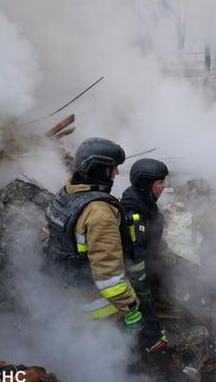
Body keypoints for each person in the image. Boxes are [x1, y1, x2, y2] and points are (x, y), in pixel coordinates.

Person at [44, 137, 160, 352]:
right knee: (111, 352)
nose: (116, 173)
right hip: (98, 303)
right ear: (98, 169)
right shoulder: (99, 213)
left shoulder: (67, 194)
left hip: (68, 289)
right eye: (112, 168)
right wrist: (130, 307)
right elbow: (108, 274)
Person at [120, 158, 170, 352]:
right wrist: (145, 294)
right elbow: (135, 262)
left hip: (150, 267)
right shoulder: (134, 215)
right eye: (160, 182)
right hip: (134, 280)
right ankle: (152, 348)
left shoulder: (147, 204)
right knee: (146, 310)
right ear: (146, 185)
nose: (164, 186)